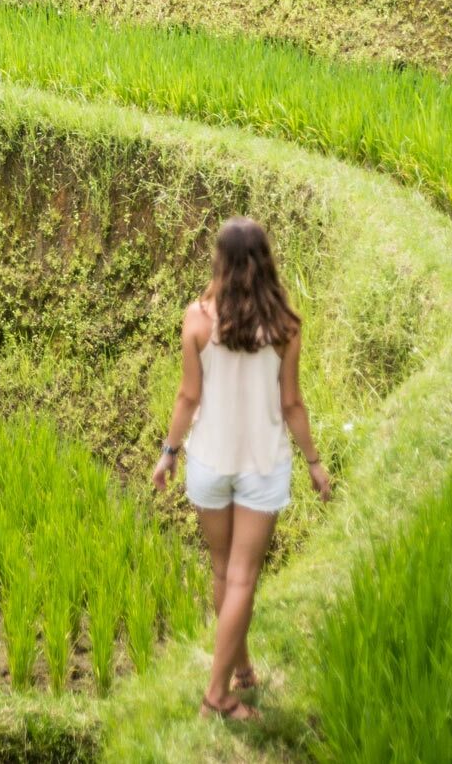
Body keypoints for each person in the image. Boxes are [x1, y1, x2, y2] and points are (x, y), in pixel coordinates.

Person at [152, 216, 332, 721]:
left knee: (223, 570)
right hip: (261, 466)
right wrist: (315, 464)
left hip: (209, 463)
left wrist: (168, 454)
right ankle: (218, 696)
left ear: (220, 262)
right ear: (266, 261)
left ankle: (241, 667)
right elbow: (292, 404)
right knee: (244, 578)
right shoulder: (284, 327)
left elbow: (189, 396)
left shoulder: (197, 320)